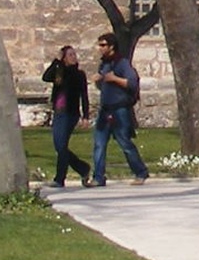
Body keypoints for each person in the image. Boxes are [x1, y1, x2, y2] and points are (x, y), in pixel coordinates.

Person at [89, 34, 148, 184]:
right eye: (99, 45)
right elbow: (104, 86)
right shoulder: (104, 64)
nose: (100, 48)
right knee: (99, 143)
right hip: (105, 109)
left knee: (124, 143)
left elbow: (132, 83)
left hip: (119, 109)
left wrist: (114, 79)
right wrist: (100, 80)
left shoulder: (122, 63)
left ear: (111, 47)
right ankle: (98, 177)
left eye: (103, 45)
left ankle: (140, 172)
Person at [41, 43, 92, 188]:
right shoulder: (59, 71)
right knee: (59, 147)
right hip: (58, 112)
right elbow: (46, 77)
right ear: (64, 58)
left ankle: (60, 179)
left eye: (74, 54)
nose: (73, 57)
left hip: (70, 113)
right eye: (70, 55)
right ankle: (82, 168)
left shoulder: (79, 74)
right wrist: (56, 61)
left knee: (62, 146)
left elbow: (84, 95)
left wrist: (86, 115)